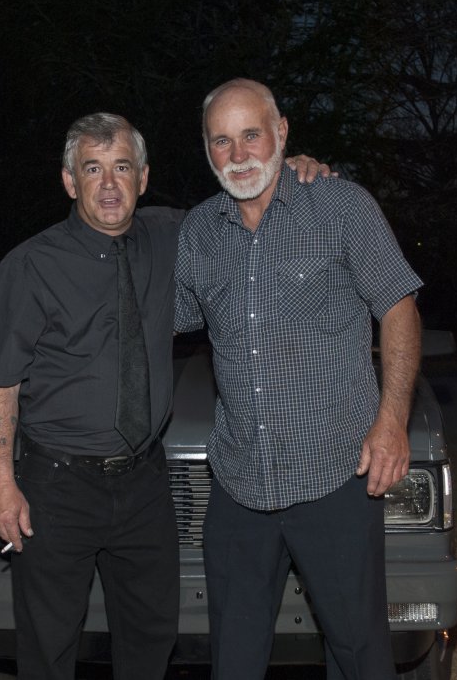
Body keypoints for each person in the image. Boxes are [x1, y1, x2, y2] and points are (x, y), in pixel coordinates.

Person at [0, 111, 331, 680]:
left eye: (121, 167)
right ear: (70, 182)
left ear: (142, 177)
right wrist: (1, 483)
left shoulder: (172, 234)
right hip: (57, 485)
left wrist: (289, 170)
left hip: (144, 483)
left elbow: (246, 201)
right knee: (49, 643)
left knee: (152, 633)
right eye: (92, 169)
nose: (109, 184)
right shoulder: (31, 265)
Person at [174, 79, 424, 679]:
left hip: (334, 476)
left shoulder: (341, 207)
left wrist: (392, 421)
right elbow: (160, 321)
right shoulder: (198, 232)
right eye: (222, 141)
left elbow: (399, 307)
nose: (239, 155)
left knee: (359, 654)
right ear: (207, 151)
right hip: (239, 485)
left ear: (282, 132)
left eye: (252, 135)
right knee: (232, 662)